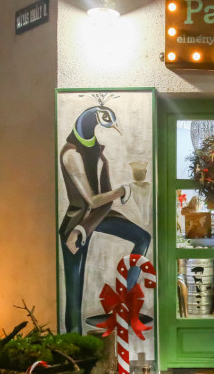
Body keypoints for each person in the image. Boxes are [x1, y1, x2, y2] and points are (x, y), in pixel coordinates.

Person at [59, 101, 151, 333]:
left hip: (98, 216)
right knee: (74, 291)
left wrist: (118, 194)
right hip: (77, 221)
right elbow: (92, 201)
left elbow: (102, 202)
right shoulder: (71, 154)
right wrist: (121, 191)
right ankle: (74, 342)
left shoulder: (97, 154)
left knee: (143, 237)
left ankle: (125, 303)